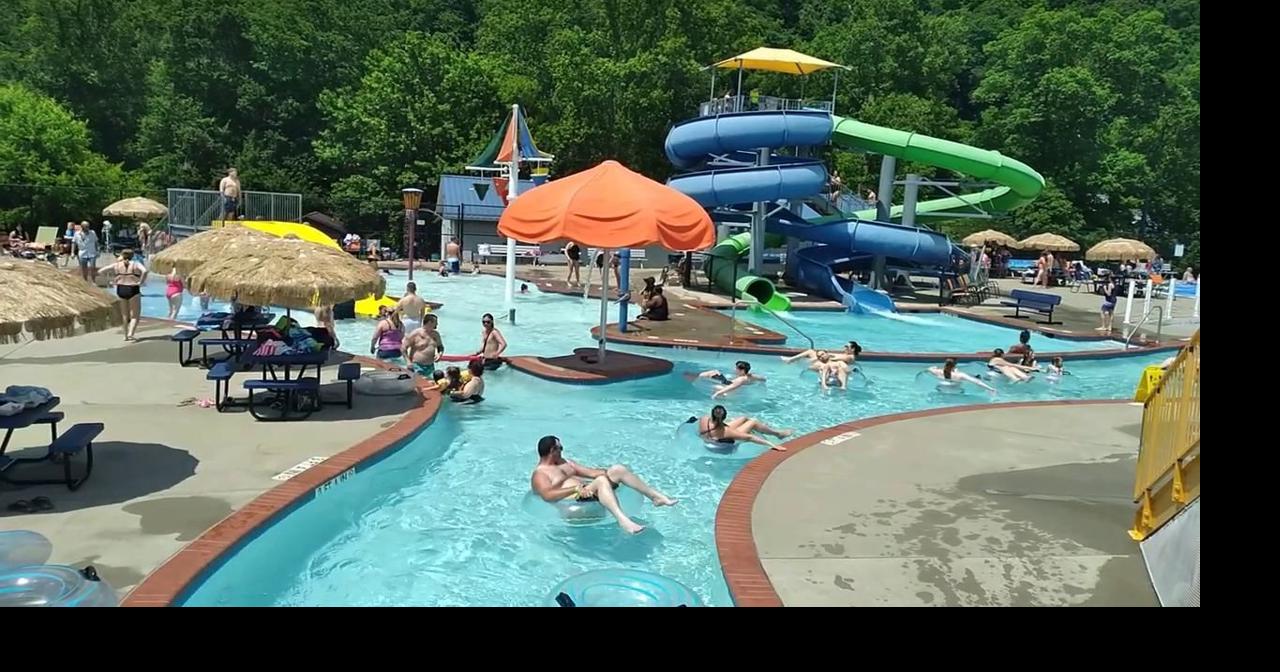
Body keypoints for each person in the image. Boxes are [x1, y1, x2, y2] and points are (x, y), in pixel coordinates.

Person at [531, 435, 677, 535]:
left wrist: (609, 474)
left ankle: (656, 497)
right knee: (601, 481)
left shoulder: (565, 463)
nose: (562, 451)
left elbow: (590, 472)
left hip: (588, 491)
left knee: (617, 469)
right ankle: (623, 520)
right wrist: (575, 489)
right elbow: (547, 495)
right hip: (575, 498)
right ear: (552, 451)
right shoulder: (541, 474)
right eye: (560, 448)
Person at [696, 405, 791, 451]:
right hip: (719, 439)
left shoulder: (704, 419)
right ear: (724, 417)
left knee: (743, 418)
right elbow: (750, 438)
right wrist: (773, 445)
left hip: (712, 433)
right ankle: (778, 434)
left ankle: (764, 428)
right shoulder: (727, 432)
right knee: (753, 422)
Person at [104, 249, 147, 341]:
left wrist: (111, 280)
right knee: (135, 316)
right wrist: (140, 282)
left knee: (124, 315)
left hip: (121, 289)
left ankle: (126, 336)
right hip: (133, 288)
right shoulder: (135, 264)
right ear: (132, 255)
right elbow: (145, 271)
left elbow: (101, 271)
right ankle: (131, 333)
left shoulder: (117, 265)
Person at [688, 360, 765, 399]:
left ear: (741, 370)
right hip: (729, 383)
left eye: (736, 368)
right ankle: (696, 376)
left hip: (728, 387)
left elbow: (732, 387)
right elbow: (763, 379)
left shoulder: (741, 379)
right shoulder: (750, 376)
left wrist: (717, 393)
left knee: (712, 374)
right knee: (715, 372)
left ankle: (695, 377)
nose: (735, 370)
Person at [927, 357, 996, 394]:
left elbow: (929, 368)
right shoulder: (960, 375)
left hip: (941, 390)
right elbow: (977, 382)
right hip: (956, 392)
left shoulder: (937, 371)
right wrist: (991, 389)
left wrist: (935, 367)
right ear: (955, 365)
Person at [782, 341, 862, 366]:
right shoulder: (847, 355)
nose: (844, 348)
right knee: (811, 351)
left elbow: (834, 358)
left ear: (853, 349)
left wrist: (825, 355)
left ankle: (790, 360)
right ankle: (791, 360)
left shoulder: (850, 357)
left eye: (846, 347)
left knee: (811, 352)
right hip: (827, 362)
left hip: (827, 365)